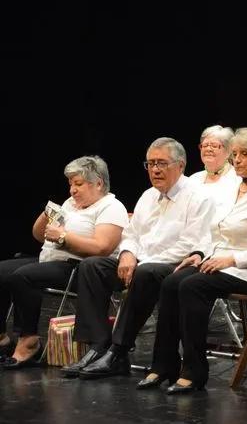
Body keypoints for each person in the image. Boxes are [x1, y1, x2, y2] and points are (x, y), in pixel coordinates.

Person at [136, 128, 247, 394]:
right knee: (172, 282)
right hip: (215, 261)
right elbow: (214, 232)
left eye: (245, 154)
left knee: (192, 286)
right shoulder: (234, 189)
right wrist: (198, 254)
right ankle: (164, 365)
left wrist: (231, 259)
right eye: (235, 154)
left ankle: (194, 371)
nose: (237, 160)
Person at [64, 138, 215, 379]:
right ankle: (98, 345)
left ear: (181, 165)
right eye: (150, 164)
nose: (155, 169)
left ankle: (119, 351)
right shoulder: (148, 195)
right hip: (139, 264)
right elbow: (131, 234)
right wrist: (127, 254)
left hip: (173, 267)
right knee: (92, 266)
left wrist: (140, 262)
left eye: (162, 163)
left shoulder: (199, 197)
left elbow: (191, 245)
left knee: (146, 272)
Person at [0, 156, 129, 368]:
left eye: (78, 184)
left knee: (24, 276)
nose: (72, 190)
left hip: (80, 268)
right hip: (49, 259)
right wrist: (45, 218)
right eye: (70, 184)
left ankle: (28, 341)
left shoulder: (111, 207)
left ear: (98, 184)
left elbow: (102, 247)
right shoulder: (70, 204)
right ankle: (2, 339)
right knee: (2, 271)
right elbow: (39, 236)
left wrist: (63, 236)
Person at [188, 125, 241, 222]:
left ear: (228, 151)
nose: (208, 149)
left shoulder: (237, 179)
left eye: (214, 146)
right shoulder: (192, 179)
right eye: (205, 145)